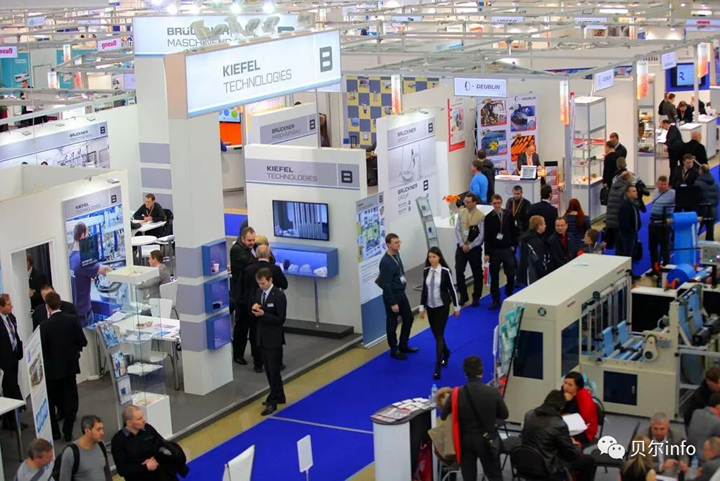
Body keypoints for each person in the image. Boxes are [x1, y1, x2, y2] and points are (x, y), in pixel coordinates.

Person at [441, 356, 508, 481]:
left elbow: (443, 416)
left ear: (465, 373)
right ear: (481, 372)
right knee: (494, 475)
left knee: (469, 476)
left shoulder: (456, 393)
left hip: (465, 440)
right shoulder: (492, 392)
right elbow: (504, 415)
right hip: (487, 440)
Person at [40, 292, 87, 442]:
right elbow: (83, 341)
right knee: (70, 400)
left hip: (52, 370)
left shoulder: (44, 326)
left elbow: (42, 349)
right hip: (69, 367)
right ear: (60, 303)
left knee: (51, 401)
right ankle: (68, 432)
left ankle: (55, 432)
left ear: (47, 306)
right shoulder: (72, 320)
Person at [522, 390, 596, 481]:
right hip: (549, 469)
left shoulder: (529, 415)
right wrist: (576, 445)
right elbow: (570, 455)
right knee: (588, 460)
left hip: (526, 464)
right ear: (561, 407)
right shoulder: (559, 424)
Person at [243, 245, 288, 372]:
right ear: (269, 255)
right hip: (263, 306)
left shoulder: (248, 269)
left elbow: (245, 287)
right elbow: (284, 284)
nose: (261, 286)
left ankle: (258, 363)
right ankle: (277, 363)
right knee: (272, 335)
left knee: (255, 334)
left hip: (254, 306)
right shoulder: (275, 269)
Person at [419, 247, 460, 380]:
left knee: (439, 334)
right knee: (436, 334)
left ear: (439, 257)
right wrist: (421, 307)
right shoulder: (426, 271)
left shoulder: (445, 272)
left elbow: (452, 290)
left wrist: (456, 307)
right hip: (430, 306)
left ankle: (437, 367)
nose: (431, 259)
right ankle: (446, 351)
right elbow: (424, 290)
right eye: (430, 257)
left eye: (434, 257)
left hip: (442, 306)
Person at [251, 268, 287, 416]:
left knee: (273, 371)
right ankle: (279, 395)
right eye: (259, 283)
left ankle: (272, 400)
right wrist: (254, 310)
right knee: (268, 369)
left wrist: (264, 314)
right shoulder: (259, 293)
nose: (261, 286)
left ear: (270, 280)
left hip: (274, 339)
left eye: (263, 283)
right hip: (262, 337)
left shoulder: (279, 296)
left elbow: (280, 319)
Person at [379, 234, 418, 360]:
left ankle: (403, 344)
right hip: (393, 296)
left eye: (399, 242)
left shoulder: (397, 255)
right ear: (388, 245)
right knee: (392, 323)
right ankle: (394, 349)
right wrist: (392, 302)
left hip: (401, 293)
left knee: (409, 318)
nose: (398, 244)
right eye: (395, 243)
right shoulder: (385, 262)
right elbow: (386, 284)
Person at [69, 222, 112, 327]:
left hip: (73, 313)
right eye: (88, 235)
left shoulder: (69, 257)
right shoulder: (84, 259)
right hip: (84, 315)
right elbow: (105, 270)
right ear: (83, 235)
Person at [112, 406, 166, 481]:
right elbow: (122, 470)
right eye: (139, 419)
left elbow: (162, 443)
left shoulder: (148, 429)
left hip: (159, 475)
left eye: (142, 417)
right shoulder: (118, 440)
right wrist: (145, 467)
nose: (144, 420)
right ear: (129, 423)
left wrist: (155, 460)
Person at [230, 226, 258, 367]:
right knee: (241, 326)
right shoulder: (236, 250)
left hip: (251, 293)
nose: (252, 243)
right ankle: (238, 355)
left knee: (254, 326)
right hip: (241, 295)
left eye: (253, 240)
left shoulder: (253, 248)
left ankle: (255, 352)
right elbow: (252, 263)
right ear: (242, 239)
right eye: (249, 240)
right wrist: (260, 256)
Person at [484, 195, 518, 310]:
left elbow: (514, 230)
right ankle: (495, 298)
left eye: (499, 203)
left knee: (510, 273)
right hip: (494, 250)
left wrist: (513, 245)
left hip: (507, 248)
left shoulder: (508, 214)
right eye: (495, 203)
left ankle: (509, 291)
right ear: (491, 204)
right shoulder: (488, 218)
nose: (497, 205)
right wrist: (487, 253)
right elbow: (487, 236)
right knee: (494, 276)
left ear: (502, 202)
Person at [56, 415, 112, 481]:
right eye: (98, 430)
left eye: (102, 429)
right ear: (87, 431)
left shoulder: (101, 445)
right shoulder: (71, 453)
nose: (102, 433)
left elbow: (106, 470)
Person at [454, 193, 485, 307]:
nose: (465, 203)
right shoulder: (461, 213)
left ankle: (476, 297)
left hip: (474, 249)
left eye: (468, 202)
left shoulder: (480, 216)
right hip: (462, 247)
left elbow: (481, 235)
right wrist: (462, 244)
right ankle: (463, 295)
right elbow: (457, 229)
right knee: (459, 270)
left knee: (477, 273)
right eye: (465, 201)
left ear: (474, 203)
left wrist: (470, 246)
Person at [0, 294, 24, 431]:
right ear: (1, 307)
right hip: (4, 361)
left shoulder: (11, 318)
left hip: (14, 357)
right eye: (8, 305)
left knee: (13, 386)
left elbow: (15, 335)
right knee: (9, 390)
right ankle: (10, 422)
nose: (12, 306)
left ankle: (14, 420)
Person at [645, 412, 689, 477]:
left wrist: (683, 463)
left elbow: (683, 455)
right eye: (655, 429)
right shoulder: (643, 438)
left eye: (662, 429)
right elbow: (638, 462)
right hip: (649, 472)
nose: (659, 432)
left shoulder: (676, 436)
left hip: (669, 473)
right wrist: (661, 466)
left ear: (668, 428)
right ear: (651, 427)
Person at [648, 176, 676, 275]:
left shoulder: (673, 193)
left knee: (665, 248)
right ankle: (654, 268)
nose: (663, 186)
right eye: (661, 184)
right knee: (653, 248)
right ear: (657, 184)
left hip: (664, 225)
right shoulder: (655, 191)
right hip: (653, 224)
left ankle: (665, 269)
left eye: (665, 184)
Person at [561, 371, 598, 446]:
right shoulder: (563, 392)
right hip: (565, 424)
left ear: (577, 387)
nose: (566, 386)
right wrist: (562, 400)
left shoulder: (583, 395)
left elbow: (586, 418)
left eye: (570, 385)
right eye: (565, 383)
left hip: (583, 429)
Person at [617, 185, 646, 270]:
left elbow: (642, 211)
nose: (636, 192)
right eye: (633, 191)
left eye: (636, 191)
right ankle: (627, 272)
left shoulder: (633, 203)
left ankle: (630, 271)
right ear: (627, 193)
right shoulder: (625, 205)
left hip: (633, 233)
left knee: (633, 253)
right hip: (628, 234)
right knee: (628, 254)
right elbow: (624, 221)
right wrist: (630, 231)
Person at [687, 393, 720, 463]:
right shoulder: (717, 422)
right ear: (718, 407)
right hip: (705, 459)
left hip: (689, 454)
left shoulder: (696, 413)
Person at [518, 215, 550, 285]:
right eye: (544, 224)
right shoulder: (535, 241)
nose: (545, 226)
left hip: (528, 271)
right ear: (539, 226)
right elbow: (538, 260)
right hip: (533, 274)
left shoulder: (527, 237)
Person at [605, 171, 633, 250]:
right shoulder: (625, 188)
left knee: (617, 242)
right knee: (622, 243)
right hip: (619, 220)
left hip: (610, 218)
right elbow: (626, 205)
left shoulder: (614, 186)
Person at [697, 164, 719, 241]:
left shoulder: (698, 183)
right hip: (713, 210)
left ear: (701, 171)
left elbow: (696, 198)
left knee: (696, 231)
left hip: (702, 210)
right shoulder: (715, 184)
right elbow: (717, 199)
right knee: (710, 233)